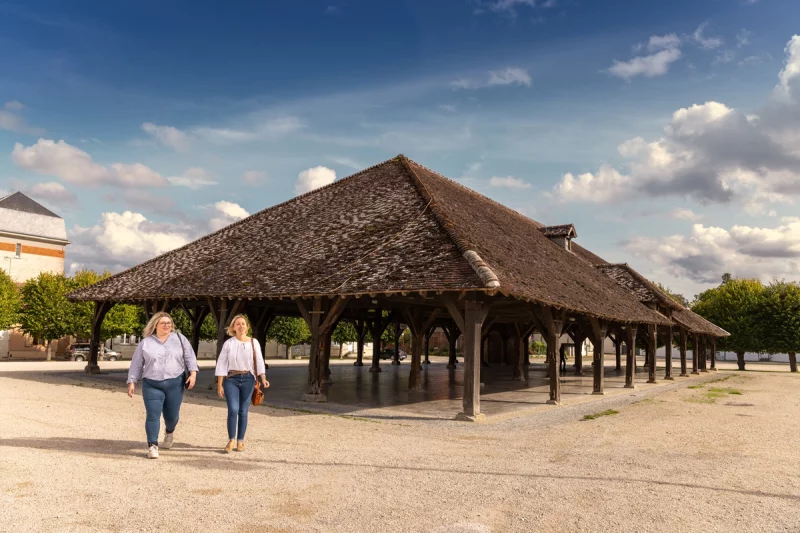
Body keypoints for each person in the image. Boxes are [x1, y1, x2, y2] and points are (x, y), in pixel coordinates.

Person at [127, 311, 198, 459]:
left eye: (169, 323)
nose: (167, 325)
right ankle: (152, 445)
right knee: (153, 415)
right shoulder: (146, 342)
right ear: (155, 325)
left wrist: (193, 374)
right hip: (152, 384)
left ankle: (169, 432)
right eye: (163, 323)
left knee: (172, 417)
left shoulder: (180, 339)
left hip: (175, 383)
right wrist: (132, 381)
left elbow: (190, 357)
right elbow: (137, 363)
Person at [215, 314, 269, 453]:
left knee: (243, 411)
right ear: (233, 327)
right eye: (237, 324)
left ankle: (240, 441)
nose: (241, 326)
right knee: (233, 409)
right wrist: (219, 385)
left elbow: (259, 361)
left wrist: (263, 378)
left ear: (247, 327)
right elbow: (221, 364)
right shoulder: (228, 344)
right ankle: (231, 440)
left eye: (243, 324)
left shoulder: (254, 342)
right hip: (231, 379)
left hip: (248, 379)